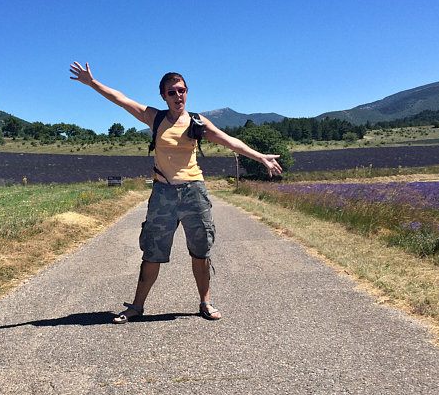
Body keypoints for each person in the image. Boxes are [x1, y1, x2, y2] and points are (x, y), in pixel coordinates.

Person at [69, 61, 282, 323]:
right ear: (163, 96)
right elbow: (121, 99)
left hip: (194, 191)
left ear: (186, 92)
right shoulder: (154, 117)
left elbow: (229, 140)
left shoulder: (197, 122)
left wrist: (260, 157)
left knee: (201, 249)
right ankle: (137, 306)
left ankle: (205, 302)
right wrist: (92, 83)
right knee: (152, 252)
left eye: (182, 90)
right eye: (172, 92)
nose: (178, 95)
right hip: (163, 194)